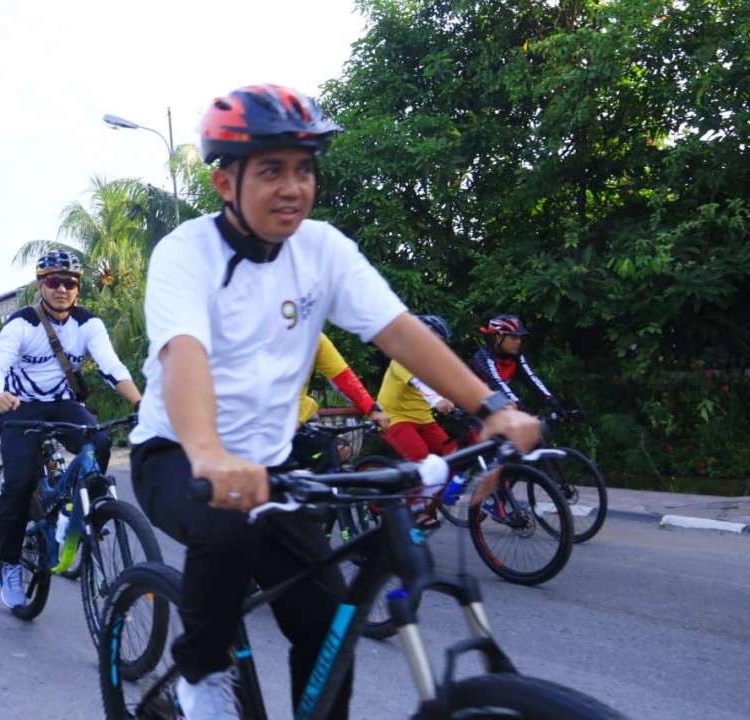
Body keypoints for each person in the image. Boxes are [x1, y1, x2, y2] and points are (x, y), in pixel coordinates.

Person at [128, 84, 539, 719]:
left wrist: (491, 408)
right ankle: (201, 674)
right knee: (226, 524)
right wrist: (208, 453)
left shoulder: (324, 250)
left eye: (304, 169)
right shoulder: (186, 252)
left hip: (274, 461)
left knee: (327, 628)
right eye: (271, 170)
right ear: (223, 183)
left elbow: (399, 331)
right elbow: (185, 353)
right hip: (179, 454)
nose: (293, 186)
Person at [0, 249, 141, 610]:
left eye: (69, 283)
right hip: (20, 407)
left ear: (78, 289)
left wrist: (140, 404)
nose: (62, 289)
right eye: (53, 282)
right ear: (41, 285)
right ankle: (9, 564)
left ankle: (73, 510)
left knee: (99, 439)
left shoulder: (88, 324)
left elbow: (111, 366)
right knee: (20, 484)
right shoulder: (21, 324)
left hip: (63, 404)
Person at [375, 315, 459, 528]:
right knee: (421, 458)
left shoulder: (435, 362)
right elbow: (420, 383)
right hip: (393, 417)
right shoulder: (402, 357)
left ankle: (429, 507)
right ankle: (414, 509)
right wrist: (437, 399)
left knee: (453, 455)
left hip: (422, 418)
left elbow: (455, 384)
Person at [292, 332, 389, 470]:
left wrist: (372, 410)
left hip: (292, 425)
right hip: (260, 431)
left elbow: (342, 378)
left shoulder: (315, 338)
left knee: (335, 451)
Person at [470, 314, 558, 411]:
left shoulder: (516, 357)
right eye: (513, 337)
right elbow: (497, 384)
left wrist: (551, 400)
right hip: (470, 410)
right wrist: (521, 407)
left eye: (520, 338)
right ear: (499, 338)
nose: (518, 342)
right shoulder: (484, 357)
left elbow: (530, 378)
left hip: (494, 406)